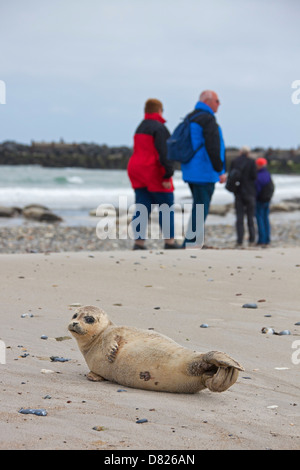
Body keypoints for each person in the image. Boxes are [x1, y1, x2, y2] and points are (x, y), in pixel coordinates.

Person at [127, 98, 180, 250]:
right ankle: (169, 242)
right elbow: (164, 154)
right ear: (159, 111)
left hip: (136, 170)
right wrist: (167, 174)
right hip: (153, 171)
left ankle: (139, 243)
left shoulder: (140, 127)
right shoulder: (160, 128)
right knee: (166, 205)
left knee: (142, 207)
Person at [180, 90, 226, 247]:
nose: (219, 104)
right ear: (208, 101)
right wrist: (220, 170)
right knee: (201, 208)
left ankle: (193, 240)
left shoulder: (191, 116)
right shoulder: (207, 119)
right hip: (203, 172)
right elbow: (213, 147)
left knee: (198, 207)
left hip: (190, 169)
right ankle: (190, 242)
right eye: (217, 101)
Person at [229, 146, 257, 247]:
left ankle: (240, 240)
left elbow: (231, 176)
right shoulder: (252, 162)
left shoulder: (235, 161)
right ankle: (252, 239)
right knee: (250, 217)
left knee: (239, 217)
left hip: (238, 191)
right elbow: (254, 176)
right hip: (249, 192)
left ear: (240, 152)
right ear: (248, 153)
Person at [255, 157, 273, 247]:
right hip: (267, 199)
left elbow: (257, 189)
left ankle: (262, 240)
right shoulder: (267, 174)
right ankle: (267, 239)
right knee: (266, 219)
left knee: (260, 219)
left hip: (260, 200)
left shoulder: (259, 175)